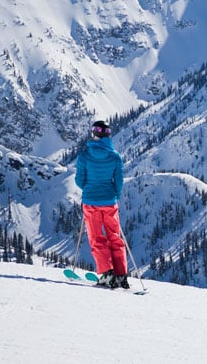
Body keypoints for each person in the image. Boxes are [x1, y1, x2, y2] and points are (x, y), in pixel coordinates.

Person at [75, 120, 130, 288]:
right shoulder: (115, 157)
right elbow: (119, 182)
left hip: (90, 202)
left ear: (94, 134)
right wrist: (113, 194)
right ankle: (121, 275)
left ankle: (107, 273)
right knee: (115, 237)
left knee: (97, 238)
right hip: (109, 203)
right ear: (109, 135)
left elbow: (79, 180)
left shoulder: (84, 155)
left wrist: (89, 189)